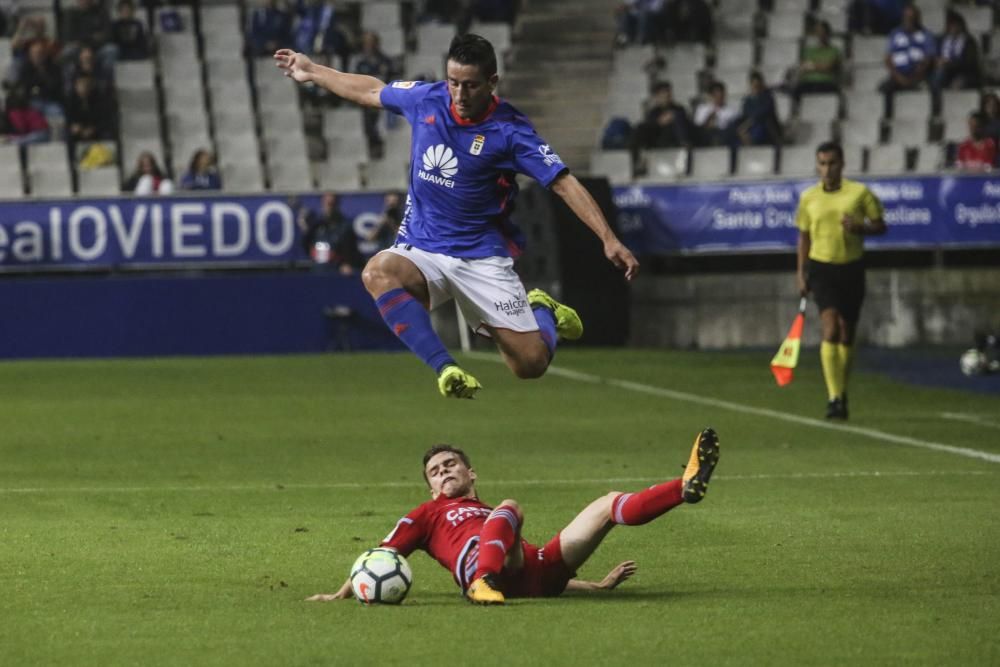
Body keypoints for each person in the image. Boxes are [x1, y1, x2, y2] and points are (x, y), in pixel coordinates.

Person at [274, 34, 639, 399]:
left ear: (492, 82)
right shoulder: (426, 99)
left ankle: (541, 306)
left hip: (481, 257)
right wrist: (312, 71)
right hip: (422, 246)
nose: (459, 94)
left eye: (470, 85)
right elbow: (372, 91)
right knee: (377, 272)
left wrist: (608, 238)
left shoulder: (510, 131)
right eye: (453, 83)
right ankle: (445, 367)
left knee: (529, 365)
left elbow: (563, 182)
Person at [306, 428, 720, 604]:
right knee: (509, 509)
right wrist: (343, 592)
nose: (444, 471)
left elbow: (521, 565)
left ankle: (683, 488)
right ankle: (481, 583)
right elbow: (378, 560)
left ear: (471, 473)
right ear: (430, 487)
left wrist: (594, 585)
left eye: (451, 464)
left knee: (606, 504)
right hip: (487, 571)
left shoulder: (486, 513)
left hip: (537, 570)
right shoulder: (429, 514)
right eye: (435, 471)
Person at [795, 141, 887, 420]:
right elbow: (804, 237)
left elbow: (881, 225)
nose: (827, 169)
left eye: (832, 163)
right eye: (822, 163)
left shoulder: (859, 193)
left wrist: (861, 228)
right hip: (822, 268)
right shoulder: (809, 198)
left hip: (852, 268)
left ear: (842, 164)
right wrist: (801, 272)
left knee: (847, 334)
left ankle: (841, 392)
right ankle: (834, 398)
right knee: (831, 328)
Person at [296, 192, 363, 273]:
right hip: (317, 272)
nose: (329, 208)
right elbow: (305, 246)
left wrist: (347, 265)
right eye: (327, 204)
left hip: (336, 273)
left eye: (332, 204)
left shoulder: (345, 228)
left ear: (337, 205)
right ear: (323, 204)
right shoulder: (316, 226)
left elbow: (353, 253)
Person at [880, 4, 936, 94]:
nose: (909, 21)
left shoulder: (926, 35)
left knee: (931, 87)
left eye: (912, 18)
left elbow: (928, 59)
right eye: (906, 17)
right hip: (898, 76)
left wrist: (916, 75)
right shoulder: (895, 33)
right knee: (885, 89)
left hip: (918, 76)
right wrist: (899, 77)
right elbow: (888, 59)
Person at [631, 80, 693, 150]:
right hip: (658, 139)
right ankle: (636, 150)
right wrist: (659, 122)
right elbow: (650, 125)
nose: (667, 95)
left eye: (668, 92)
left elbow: (685, 124)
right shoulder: (654, 111)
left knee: (677, 117)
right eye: (663, 92)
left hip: (674, 138)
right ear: (657, 96)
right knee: (640, 127)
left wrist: (672, 117)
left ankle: (684, 145)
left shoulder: (679, 108)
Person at [932, 10, 980, 93]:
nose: (953, 28)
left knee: (956, 83)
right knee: (937, 74)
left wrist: (949, 63)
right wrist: (937, 61)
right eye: (951, 25)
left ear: (961, 26)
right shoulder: (941, 40)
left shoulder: (969, 41)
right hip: (944, 73)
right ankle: (935, 98)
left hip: (964, 74)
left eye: (956, 25)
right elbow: (934, 56)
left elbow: (969, 63)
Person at [794, 20, 842, 99]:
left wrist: (812, 65)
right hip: (808, 82)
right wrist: (821, 65)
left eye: (822, 32)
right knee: (795, 91)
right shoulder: (809, 51)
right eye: (818, 32)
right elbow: (803, 67)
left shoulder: (834, 50)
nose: (820, 34)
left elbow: (828, 67)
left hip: (826, 83)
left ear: (827, 33)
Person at [735, 71, 781, 146]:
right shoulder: (747, 101)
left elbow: (761, 115)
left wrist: (745, 126)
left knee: (757, 130)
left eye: (758, 86)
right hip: (750, 128)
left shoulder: (768, 98)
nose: (756, 88)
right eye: (754, 85)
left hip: (766, 128)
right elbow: (745, 115)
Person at [693, 80, 739, 146]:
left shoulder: (732, 111)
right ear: (711, 95)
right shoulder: (702, 109)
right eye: (716, 95)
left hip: (724, 135)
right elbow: (698, 126)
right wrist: (708, 119)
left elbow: (732, 128)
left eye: (721, 95)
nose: (719, 98)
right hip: (705, 136)